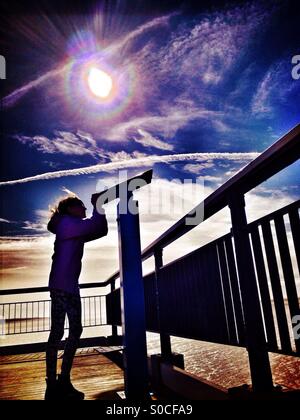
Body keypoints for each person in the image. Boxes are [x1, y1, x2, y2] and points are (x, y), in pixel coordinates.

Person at [45, 195, 108, 400]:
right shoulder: (68, 224)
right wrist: (98, 204)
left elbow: (99, 229)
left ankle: (60, 381)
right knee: (59, 333)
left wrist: (99, 206)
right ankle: (56, 382)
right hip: (64, 287)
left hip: (67, 287)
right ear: (70, 209)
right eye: (81, 205)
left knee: (69, 331)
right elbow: (96, 226)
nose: (84, 208)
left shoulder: (72, 226)